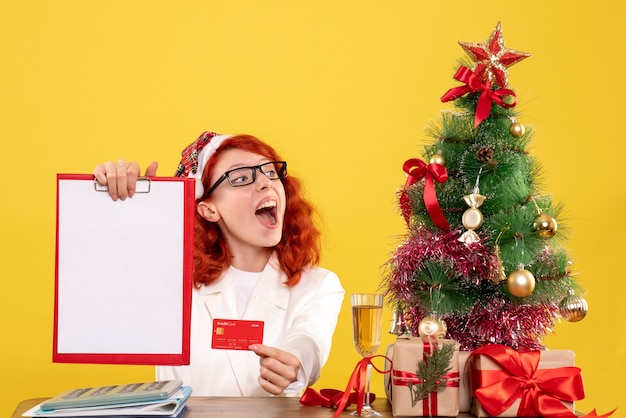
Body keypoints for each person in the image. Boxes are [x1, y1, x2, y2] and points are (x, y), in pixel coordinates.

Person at [93, 131, 345, 397]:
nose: (265, 184)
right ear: (209, 209)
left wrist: (295, 361)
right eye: (241, 178)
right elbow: (102, 297)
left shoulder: (319, 284)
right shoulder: (171, 281)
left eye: (271, 173)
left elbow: (310, 340)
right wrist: (116, 205)